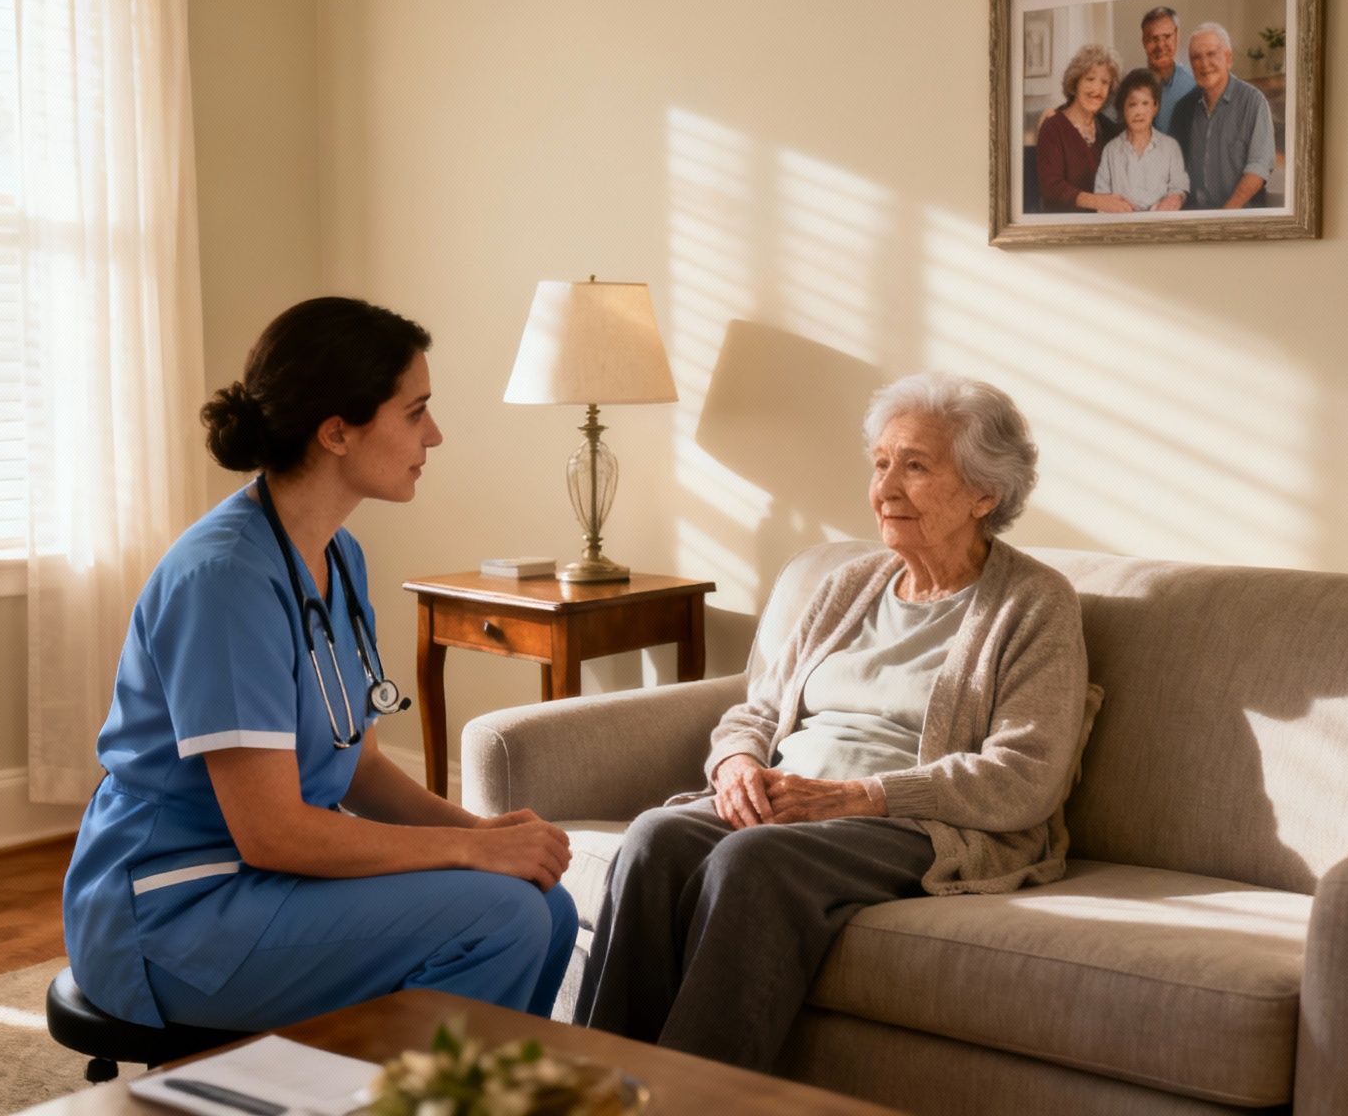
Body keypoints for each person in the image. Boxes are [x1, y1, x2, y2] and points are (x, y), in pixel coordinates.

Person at [62, 297, 578, 1033]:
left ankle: (450, 1084)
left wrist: (487, 836)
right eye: (415, 412)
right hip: (174, 912)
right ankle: (394, 1086)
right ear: (336, 431)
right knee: (501, 918)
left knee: (547, 906)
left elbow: (358, 767)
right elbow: (272, 833)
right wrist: (468, 849)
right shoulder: (225, 580)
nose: (434, 434)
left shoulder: (337, 554)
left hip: (269, 883)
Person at [575, 373, 1093, 1072]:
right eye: (881, 464)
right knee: (654, 838)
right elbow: (757, 709)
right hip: (791, 798)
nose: (885, 488)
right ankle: (597, 1086)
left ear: (984, 494)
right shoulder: (849, 583)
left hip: (914, 823)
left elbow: (1024, 777)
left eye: (916, 466)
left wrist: (855, 797)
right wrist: (737, 765)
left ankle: (694, 1099)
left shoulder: (1033, 603)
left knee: (750, 860)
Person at [1168, 21, 1275, 210]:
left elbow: (1258, 167)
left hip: (1240, 215)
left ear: (1228, 58)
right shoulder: (1183, 108)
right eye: (1196, 57)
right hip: (1195, 214)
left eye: (1211, 54)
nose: (1204, 64)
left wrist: (1226, 215)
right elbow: (1172, 170)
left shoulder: (1253, 102)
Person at [1035, 43, 1127, 213]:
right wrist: (1098, 201)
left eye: (1105, 82)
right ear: (1076, 81)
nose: (1097, 89)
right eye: (1090, 79)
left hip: (1102, 222)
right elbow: (1052, 188)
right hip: (1065, 224)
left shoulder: (1108, 129)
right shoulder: (1052, 127)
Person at [1095, 70, 1188, 212]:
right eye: (1132, 104)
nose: (1139, 112)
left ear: (1155, 107)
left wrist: (1174, 198)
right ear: (1123, 109)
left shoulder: (1170, 147)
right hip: (1122, 222)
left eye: (1145, 103)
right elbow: (1101, 194)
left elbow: (1179, 186)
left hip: (1160, 221)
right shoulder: (1110, 150)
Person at [1135, 6, 1196, 134]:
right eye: (1154, 38)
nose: (1161, 45)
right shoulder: (1132, 87)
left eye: (1167, 36)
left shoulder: (1193, 85)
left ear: (1177, 36)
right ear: (1144, 41)